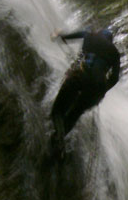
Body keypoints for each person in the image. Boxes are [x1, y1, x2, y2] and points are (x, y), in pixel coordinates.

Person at [49, 25, 121, 158]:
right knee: (75, 112)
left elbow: (73, 35)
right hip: (97, 88)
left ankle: (58, 138)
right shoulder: (115, 53)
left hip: (81, 75)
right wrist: (103, 90)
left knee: (57, 111)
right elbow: (115, 78)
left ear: (99, 32)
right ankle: (59, 141)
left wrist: (59, 35)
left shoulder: (91, 35)